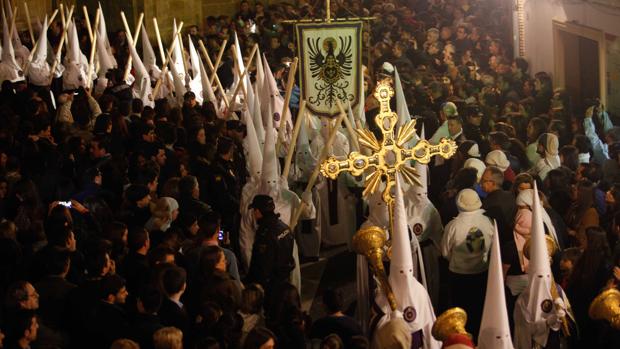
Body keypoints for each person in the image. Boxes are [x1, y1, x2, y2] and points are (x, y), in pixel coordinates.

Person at [441, 188, 494, 337]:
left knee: (460, 310)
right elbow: (492, 246)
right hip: (482, 272)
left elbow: (445, 251)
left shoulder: (453, 225)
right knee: (478, 308)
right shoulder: (487, 221)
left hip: (459, 275)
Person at [246, 194, 295, 314]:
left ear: (258, 211)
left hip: (272, 286)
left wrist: (254, 283)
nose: (253, 213)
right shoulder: (284, 227)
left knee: (274, 315)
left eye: (254, 210)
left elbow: (262, 264)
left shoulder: (265, 234)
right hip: (285, 279)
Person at [87, 274, 130, 349]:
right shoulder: (116, 317)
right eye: (123, 292)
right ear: (111, 297)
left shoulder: (93, 306)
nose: (127, 293)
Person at [480, 166, 516, 245]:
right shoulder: (511, 196)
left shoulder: (489, 203)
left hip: (495, 244)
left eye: (483, 180)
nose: (481, 183)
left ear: (492, 183)